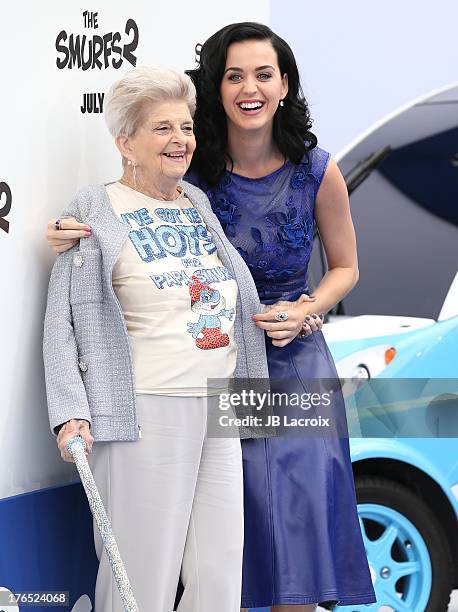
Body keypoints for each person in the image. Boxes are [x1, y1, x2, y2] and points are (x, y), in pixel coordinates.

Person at [45, 23, 376, 612]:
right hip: (188, 387)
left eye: (263, 74)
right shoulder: (161, 189)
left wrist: (307, 311)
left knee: (270, 540)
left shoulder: (289, 176)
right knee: (187, 552)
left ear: (285, 85)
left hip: (272, 373)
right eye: (233, 75)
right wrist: (67, 236)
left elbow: (342, 268)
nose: (249, 88)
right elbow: (79, 298)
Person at [43, 65, 271, 612]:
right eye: (163, 129)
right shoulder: (94, 209)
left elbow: (228, 294)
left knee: (219, 574)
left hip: (219, 405)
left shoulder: (196, 203)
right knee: (140, 578)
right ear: (126, 142)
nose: (181, 141)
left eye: (186, 128)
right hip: (146, 407)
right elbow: (61, 321)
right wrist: (69, 410)